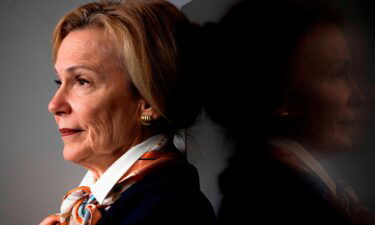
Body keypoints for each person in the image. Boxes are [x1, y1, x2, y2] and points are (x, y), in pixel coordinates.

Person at [39, 0, 216, 224]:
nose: (54, 105)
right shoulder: (128, 201)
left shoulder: (169, 212)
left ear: (149, 101)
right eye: (59, 81)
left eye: (82, 81)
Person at [201, 0, 375, 224]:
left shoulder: (274, 188)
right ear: (281, 97)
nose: (358, 95)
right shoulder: (280, 203)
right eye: (338, 74)